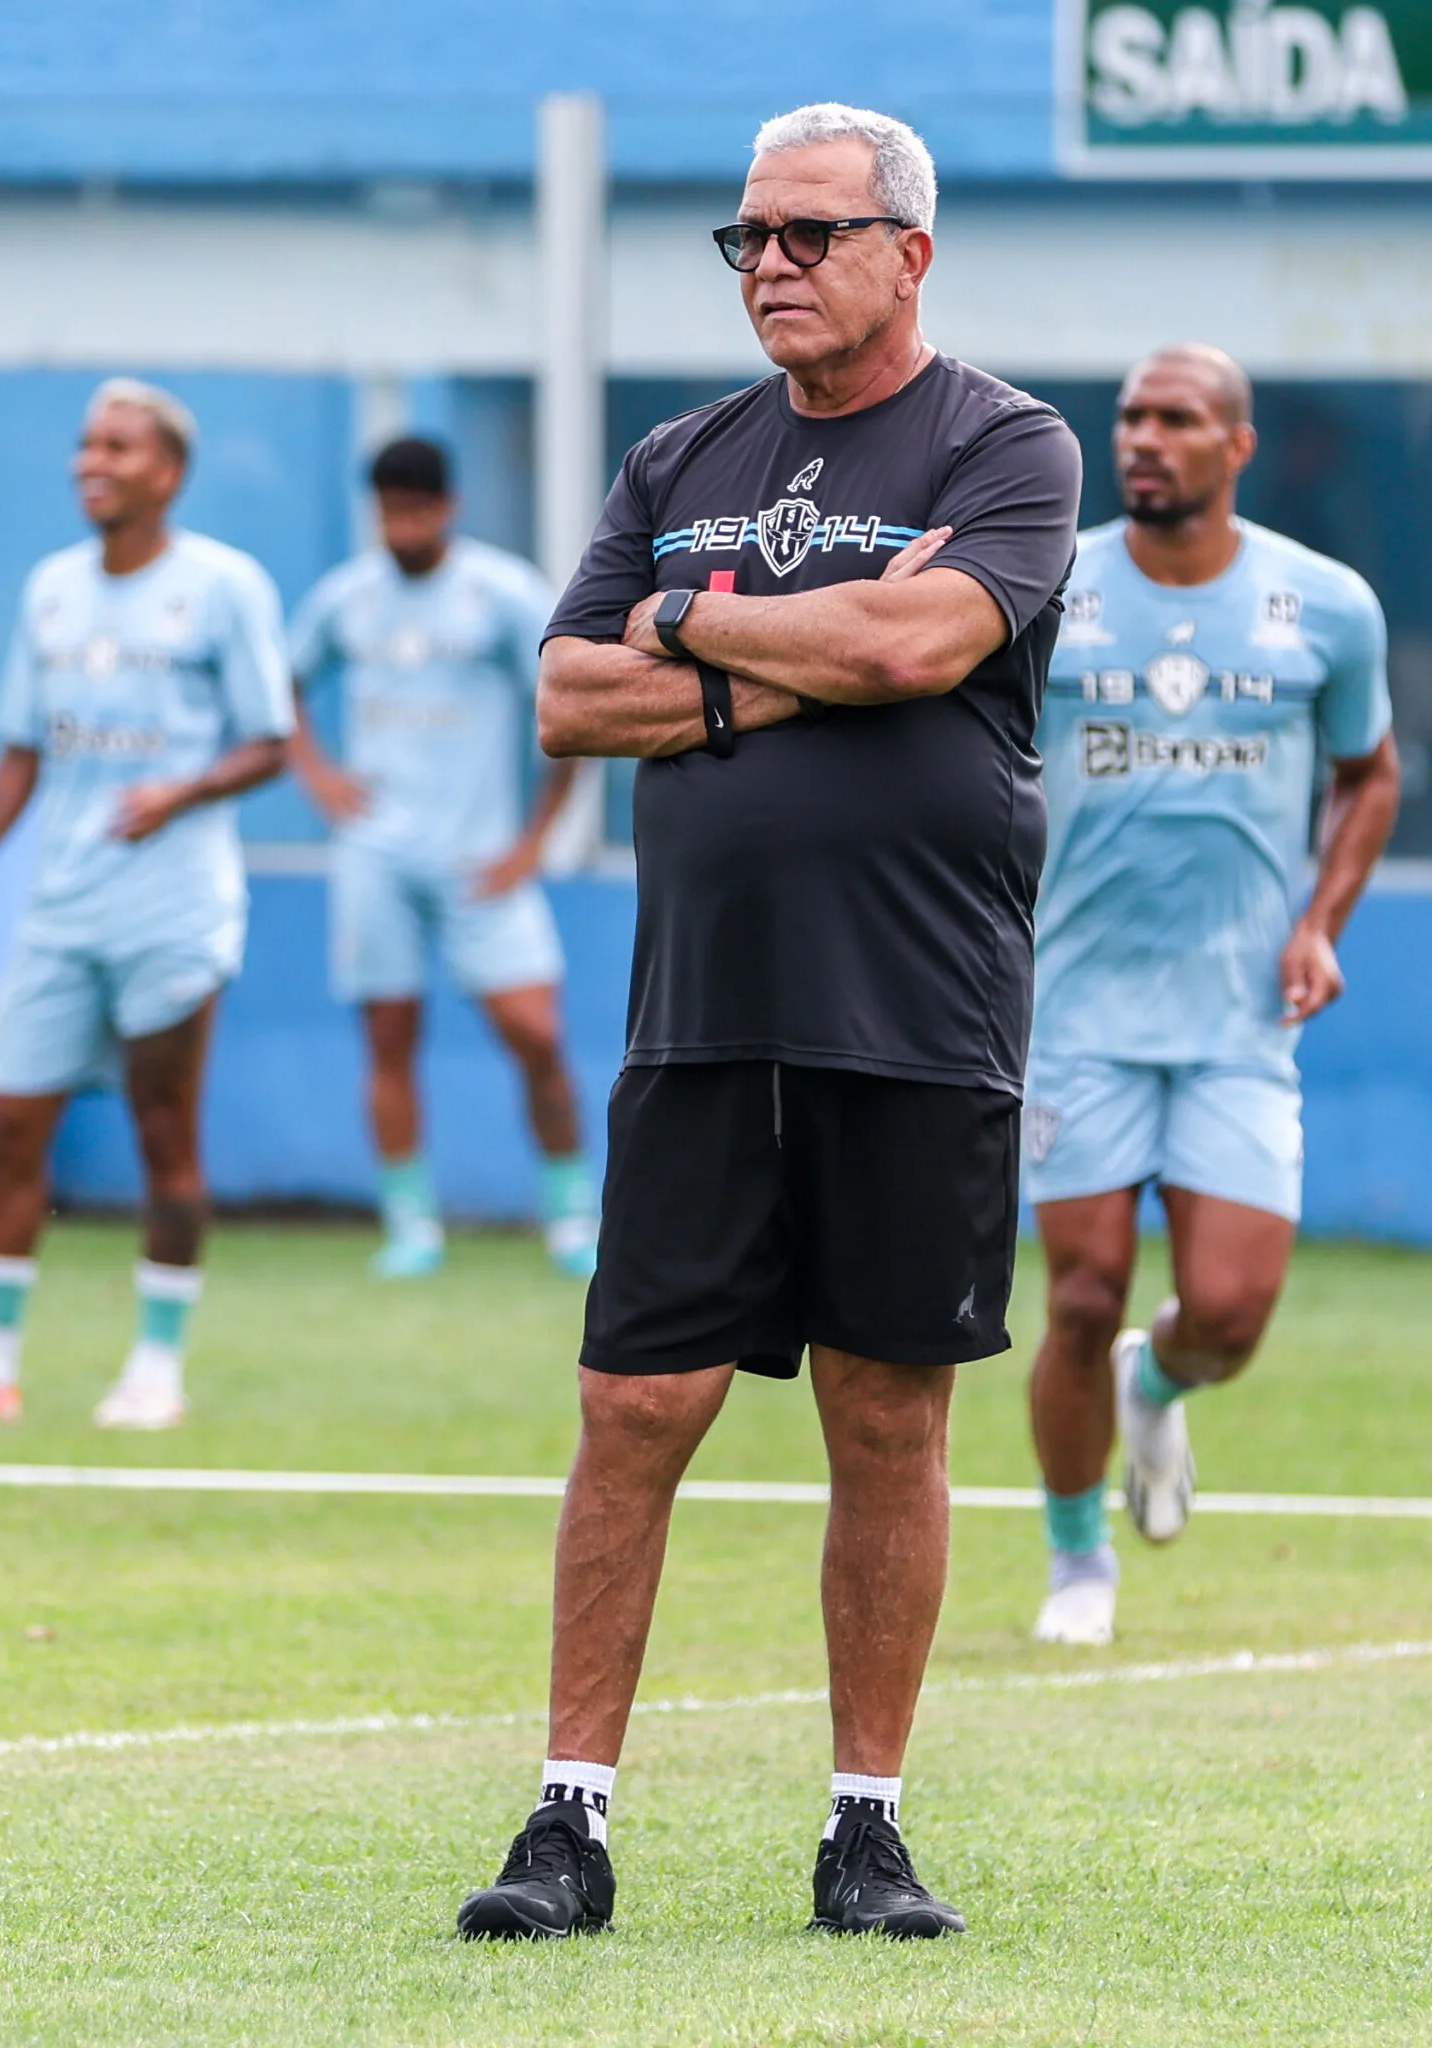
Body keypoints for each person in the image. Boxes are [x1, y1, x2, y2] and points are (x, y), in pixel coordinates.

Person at [452, 102, 1079, 1942]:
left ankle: (864, 1830)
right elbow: (569, 693)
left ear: (912, 252)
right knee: (632, 1405)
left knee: (889, 1416)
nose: (773, 267)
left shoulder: (1008, 440)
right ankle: (568, 1821)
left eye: (810, 233)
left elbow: (918, 652)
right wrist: (773, 641)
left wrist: (700, 630)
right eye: (749, 240)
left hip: (920, 1015)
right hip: (703, 1021)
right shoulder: (678, 453)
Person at [1023, 345, 1401, 1649]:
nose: (1145, 439)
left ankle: (1163, 1381)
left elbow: (1370, 774)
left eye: (1177, 419)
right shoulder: (1047, 582)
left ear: (1236, 444)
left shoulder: (1327, 604)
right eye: (1131, 417)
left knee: (1231, 1314)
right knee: (1079, 1294)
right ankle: (1079, 1563)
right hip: (1076, 1009)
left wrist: (1321, 922)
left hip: (1242, 1016)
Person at [0, 379, 293, 1432]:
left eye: (116, 445)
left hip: (172, 906)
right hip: (62, 905)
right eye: (84, 444)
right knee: (12, 1126)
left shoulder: (223, 586)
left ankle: (155, 1370)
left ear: (168, 472)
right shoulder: (52, 588)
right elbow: (23, 743)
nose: (89, 461)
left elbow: (270, 739)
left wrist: (180, 791)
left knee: (164, 1131)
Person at [287, 436, 598, 1280]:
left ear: (449, 507)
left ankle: (573, 1216)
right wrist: (320, 779)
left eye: (417, 511)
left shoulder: (500, 593)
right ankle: (410, 1225)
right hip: (375, 859)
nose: (403, 527)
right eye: (390, 513)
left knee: (536, 1035)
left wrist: (535, 841)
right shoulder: (346, 599)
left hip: (480, 861)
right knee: (388, 1039)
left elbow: (572, 704)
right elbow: (279, 687)